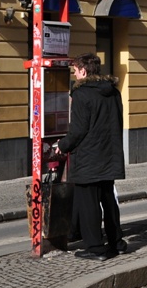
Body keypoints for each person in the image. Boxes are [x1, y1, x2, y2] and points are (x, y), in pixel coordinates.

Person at [53, 53, 125, 262]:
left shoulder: (82, 94)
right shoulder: (113, 92)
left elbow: (78, 130)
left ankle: (95, 247)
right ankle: (116, 243)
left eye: (75, 70)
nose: (74, 74)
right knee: (108, 200)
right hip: (108, 154)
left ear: (83, 71)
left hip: (88, 157)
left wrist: (63, 146)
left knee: (88, 204)